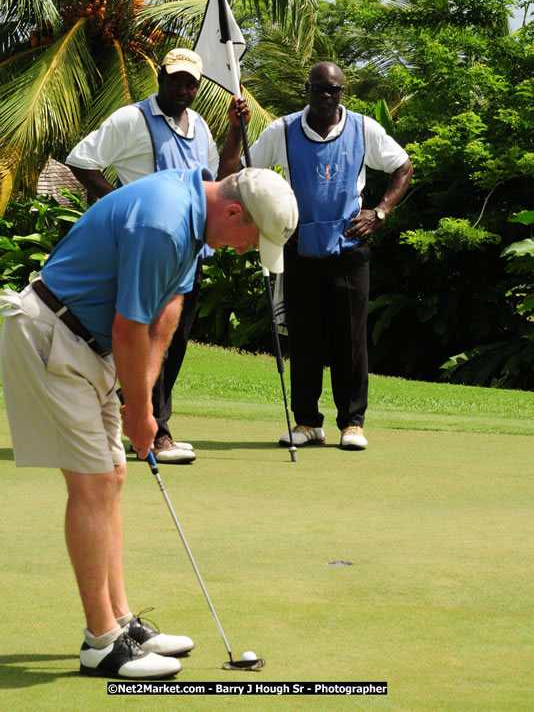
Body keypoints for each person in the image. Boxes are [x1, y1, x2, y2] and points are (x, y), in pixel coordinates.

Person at [0, 166, 298, 680]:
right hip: (51, 334)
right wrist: (141, 414)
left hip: (87, 345)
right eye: (250, 239)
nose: (245, 250)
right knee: (92, 486)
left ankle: (120, 621)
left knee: (111, 477)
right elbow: (129, 323)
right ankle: (102, 644)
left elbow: (168, 307)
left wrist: (144, 398)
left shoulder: (192, 217)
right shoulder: (162, 222)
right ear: (232, 212)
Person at [66, 48, 250, 464]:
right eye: (175, 79)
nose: (182, 89)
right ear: (161, 78)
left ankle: (152, 425)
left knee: (171, 342)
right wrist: (122, 209)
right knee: (142, 339)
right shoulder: (132, 119)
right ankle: (154, 433)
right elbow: (81, 159)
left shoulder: (199, 125)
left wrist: (235, 131)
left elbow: (221, 179)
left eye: (190, 83)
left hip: (187, 250)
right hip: (145, 249)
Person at [245, 62, 413, 451]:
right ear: (307, 89)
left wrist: (380, 212)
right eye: (319, 88)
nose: (326, 95)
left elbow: (402, 167)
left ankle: (352, 423)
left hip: (350, 249)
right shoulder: (282, 130)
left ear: (342, 92)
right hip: (300, 249)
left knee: (350, 340)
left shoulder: (363, 128)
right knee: (305, 339)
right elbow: (247, 173)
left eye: (333, 90)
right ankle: (306, 423)